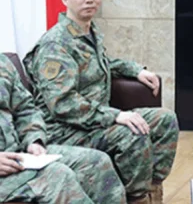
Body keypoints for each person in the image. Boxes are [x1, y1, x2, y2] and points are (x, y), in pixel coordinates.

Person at [23, 0, 179, 204]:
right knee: (132, 133)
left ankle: (150, 190)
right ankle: (136, 198)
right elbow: (63, 104)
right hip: (64, 130)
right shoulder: (55, 44)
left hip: (94, 121)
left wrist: (135, 70)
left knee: (165, 120)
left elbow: (100, 64)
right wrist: (116, 116)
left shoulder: (89, 32)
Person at [0, 53, 126, 203]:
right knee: (57, 176)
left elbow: (25, 110)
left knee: (96, 162)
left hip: (18, 154)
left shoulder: (3, 63)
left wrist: (34, 139)